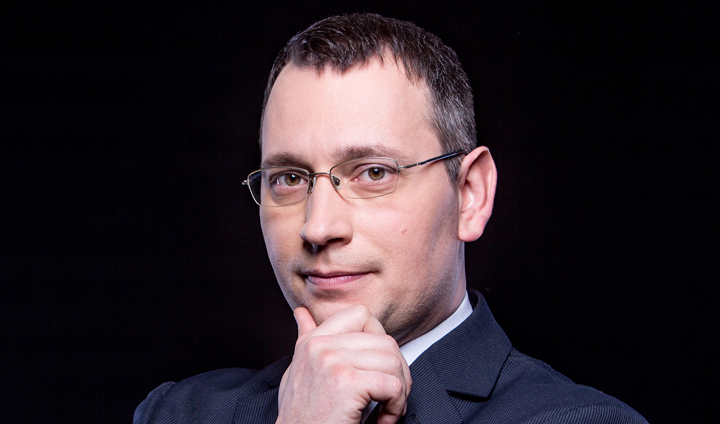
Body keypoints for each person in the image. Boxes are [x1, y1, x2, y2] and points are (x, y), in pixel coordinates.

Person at [133, 13, 647, 424]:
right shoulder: (178, 413)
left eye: (374, 172)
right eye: (289, 178)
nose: (318, 227)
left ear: (469, 195)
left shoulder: (577, 419)